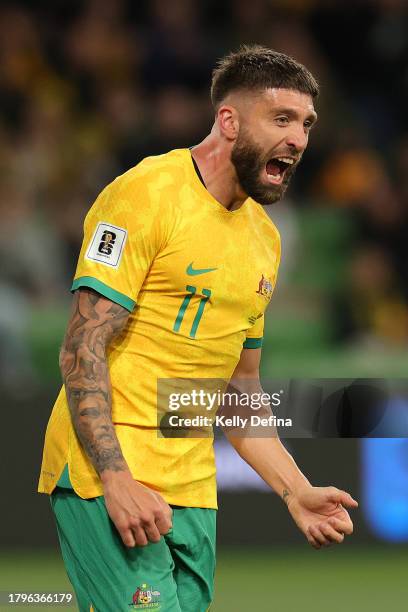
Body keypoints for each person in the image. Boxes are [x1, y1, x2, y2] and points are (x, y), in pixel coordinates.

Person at [38, 45, 358, 612]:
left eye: (307, 124)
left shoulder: (265, 237)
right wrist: (116, 480)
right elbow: (81, 348)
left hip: (192, 487)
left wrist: (296, 490)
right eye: (281, 118)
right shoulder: (145, 194)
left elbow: (240, 390)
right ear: (229, 121)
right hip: (109, 475)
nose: (300, 139)